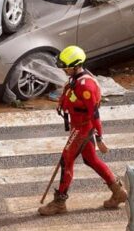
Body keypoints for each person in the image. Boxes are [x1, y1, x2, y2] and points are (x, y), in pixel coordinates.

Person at [38, 45, 128, 216]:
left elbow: (94, 114)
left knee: (66, 161)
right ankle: (118, 191)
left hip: (82, 128)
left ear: (76, 65)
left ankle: (59, 202)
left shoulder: (86, 86)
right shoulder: (76, 78)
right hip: (77, 126)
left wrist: (100, 138)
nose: (64, 69)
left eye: (66, 67)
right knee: (91, 160)